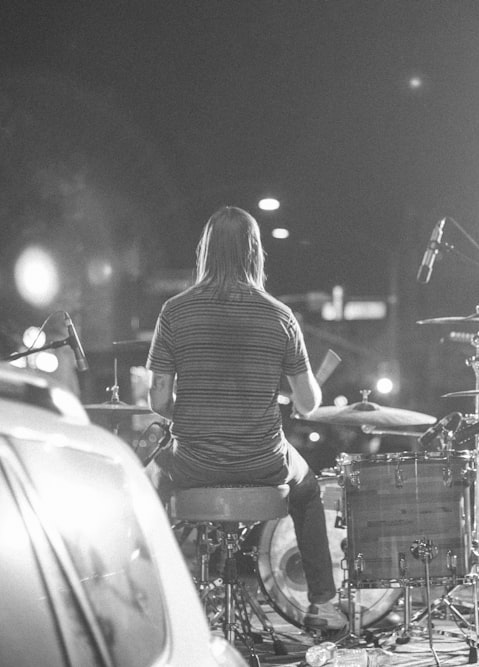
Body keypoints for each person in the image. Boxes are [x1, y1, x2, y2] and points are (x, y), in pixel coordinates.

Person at [144, 206, 346, 630]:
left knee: (147, 482)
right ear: (255, 252)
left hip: (193, 463)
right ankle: (323, 605)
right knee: (307, 490)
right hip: (263, 461)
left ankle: (145, 602)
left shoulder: (174, 312)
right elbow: (308, 404)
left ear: (205, 251)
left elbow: (159, 401)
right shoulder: (279, 316)